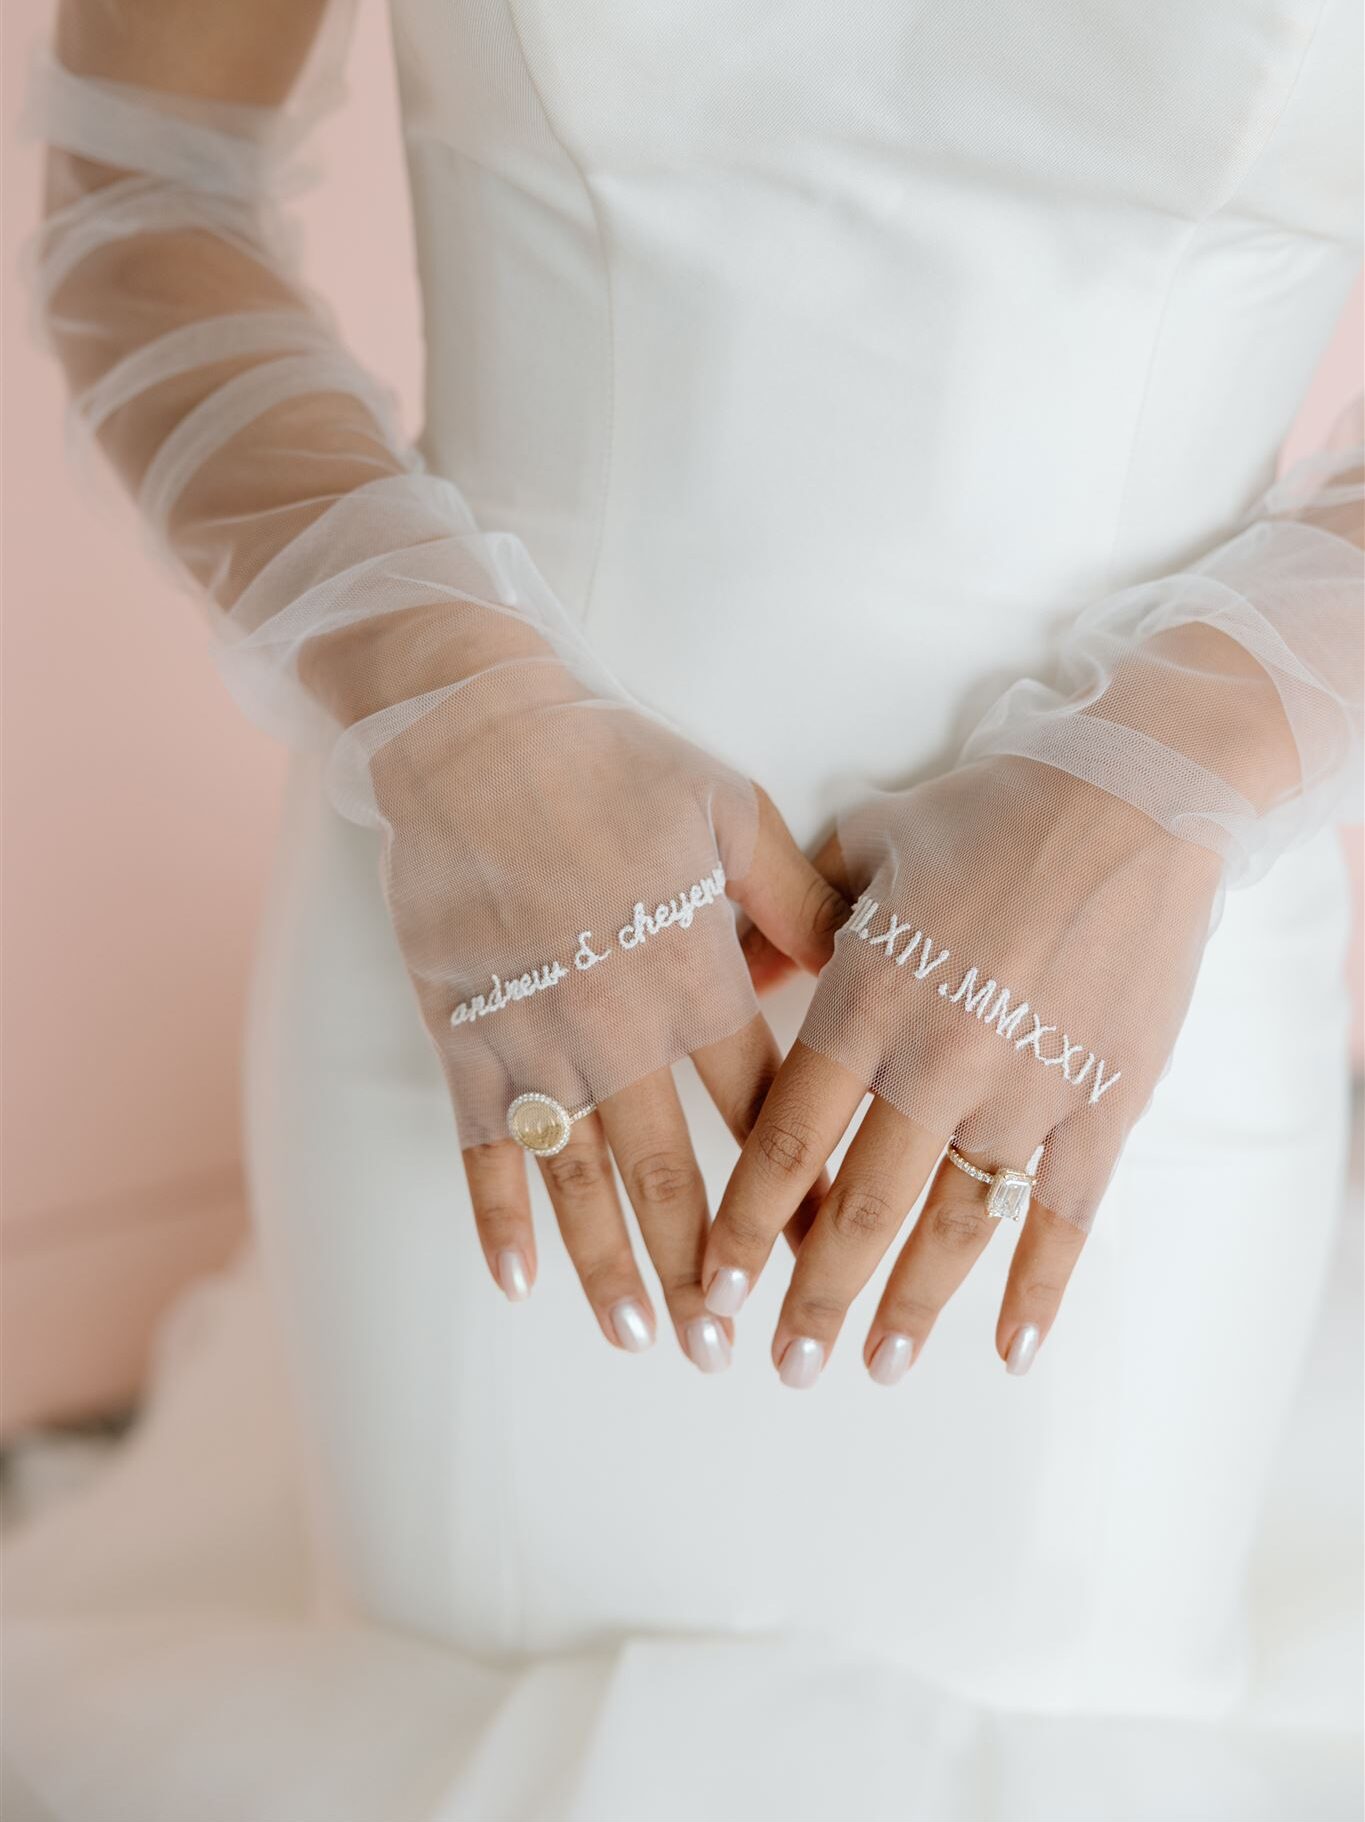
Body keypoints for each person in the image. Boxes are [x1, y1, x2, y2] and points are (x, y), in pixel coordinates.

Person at [6, 0, 1362, 1815]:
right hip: (495, 938)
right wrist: (461, 714)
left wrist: (1155, 780)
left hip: (1120, 983)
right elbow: (142, 191)